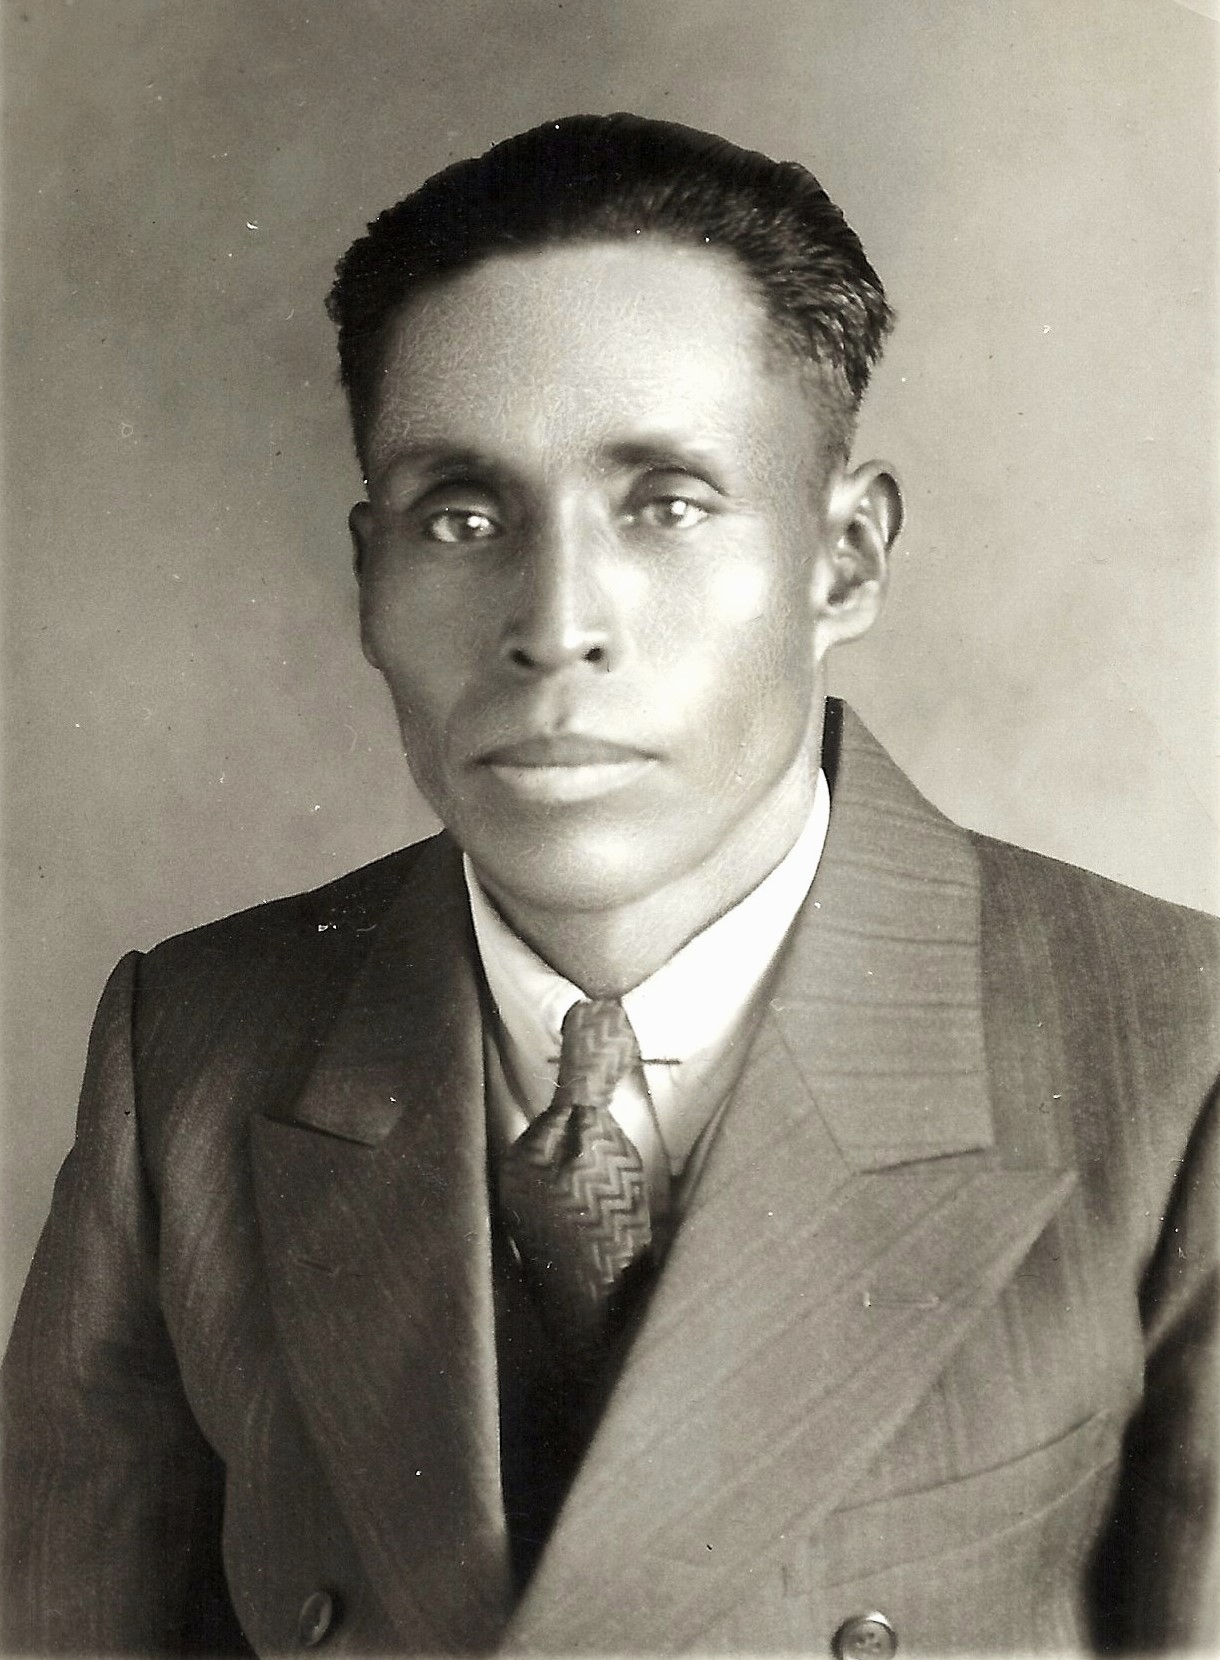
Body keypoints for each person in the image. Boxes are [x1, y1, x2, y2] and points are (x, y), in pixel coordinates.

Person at [2, 112, 1216, 1658]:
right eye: (463, 517)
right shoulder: (193, 1044)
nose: (554, 623)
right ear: (370, 575)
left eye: (666, 504)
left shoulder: (1177, 1059)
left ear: (844, 559)